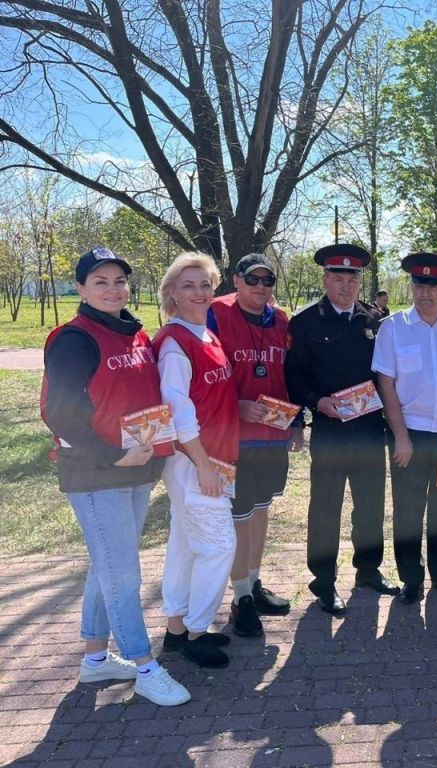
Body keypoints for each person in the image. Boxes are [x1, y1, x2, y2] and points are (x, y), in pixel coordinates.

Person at [41, 247, 190, 706]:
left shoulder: (135, 334)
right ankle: (145, 667)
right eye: (100, 282)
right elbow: (58, 413)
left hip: (136, 469)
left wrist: (148, 456)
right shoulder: (73, 339)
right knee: (123, 573)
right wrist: (114, 456)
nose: (112, 289)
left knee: (106, 563)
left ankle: (95, 658)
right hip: (96, 474)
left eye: (119, 281)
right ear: (81, 289)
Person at [285, 244, 398, 616]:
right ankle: (323, 581)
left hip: (369, 429)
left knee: (371, 505)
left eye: (353, 278)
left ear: (360, 281)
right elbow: (294, 376)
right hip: (331, 430)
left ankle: (368, 570)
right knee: (325, 508)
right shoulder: (305, 322)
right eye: (338, 278)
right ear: (325, 279)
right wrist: (317, 402)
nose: (346, 285)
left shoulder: (374, 320)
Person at [372, 252, 437, 604]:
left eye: (434, 285)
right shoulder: (393, 328)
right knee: (408, 510)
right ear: (411, 286)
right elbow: (386, 386)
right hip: (410, 435)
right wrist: (401, 437)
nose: (426, 292)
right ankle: (411, 579)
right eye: (419, 284)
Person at [153, 252, 239, 669]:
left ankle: (176, 629)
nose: (199, 292)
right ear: (171, 292)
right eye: (188, 285)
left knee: (186, 544)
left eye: (205, 284)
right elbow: (178, 411)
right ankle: (197, 629)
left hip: (213, 456)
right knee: (220, 546)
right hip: (194, 460)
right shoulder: (175, 343)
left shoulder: (205, 334)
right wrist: (204, 465)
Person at [208, 253, 299, 636]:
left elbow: (291, 373)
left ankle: (255, 582)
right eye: (252, 279)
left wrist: (297, 423)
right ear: (236, 280)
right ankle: (240, 596)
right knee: (239, 517)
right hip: (234, 437)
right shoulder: (216, 313)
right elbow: (204, 374)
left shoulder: (280, 320)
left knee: (261, 510)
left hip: (273, 436)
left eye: (267, 280)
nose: (260, 286)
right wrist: (236, 405)